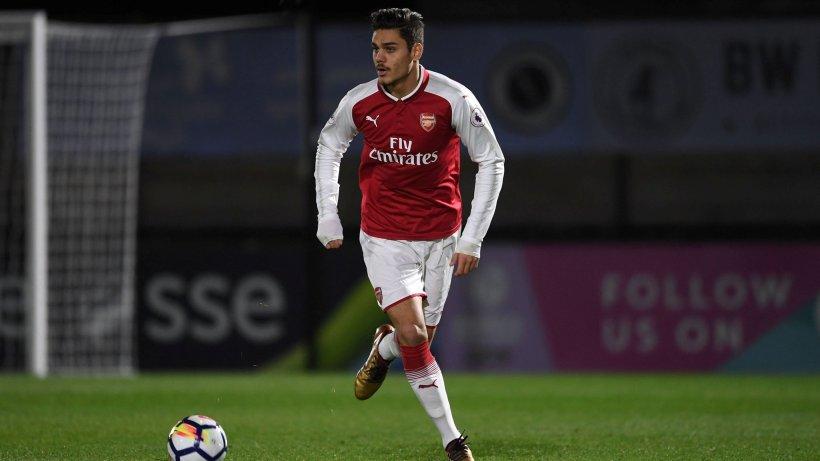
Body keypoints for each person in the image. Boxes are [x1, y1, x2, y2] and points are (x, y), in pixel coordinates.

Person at [314, 7, 504, 460]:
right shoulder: (360, 102)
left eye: (390, 48)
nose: (379, 58)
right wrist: (327, 214)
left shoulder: (452, 99)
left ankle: (383, 349)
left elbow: (491, 160)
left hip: (441, 237)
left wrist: (471, 238)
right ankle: (453, 441)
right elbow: (329, 145)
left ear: (416, 50)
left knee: (415, 342)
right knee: (415, 335)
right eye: (375, 48)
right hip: (384, 237)